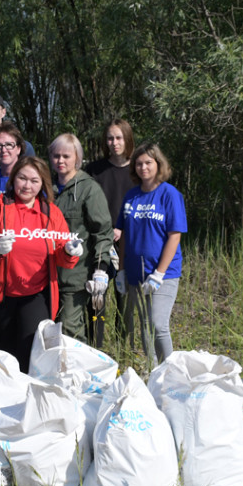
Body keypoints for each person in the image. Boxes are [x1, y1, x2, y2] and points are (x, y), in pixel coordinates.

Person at [0, 156, 81, 372]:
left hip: (36, 293)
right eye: (22, 178)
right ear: (13, 179)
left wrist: (71, 251)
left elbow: (63, 251)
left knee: (31, 347)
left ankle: (28, 394)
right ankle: (7, 395)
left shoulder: (50, 212)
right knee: (6, 349)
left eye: (34, 180)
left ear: (43, 184)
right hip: (1, 292)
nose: (27, 185)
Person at [115, 142, 187, 364]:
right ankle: (153, 373)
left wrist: (159, 274)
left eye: (148, 162)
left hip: (163, 274)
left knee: (157, 324)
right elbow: (124, 234)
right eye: (138, 163)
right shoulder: (131, 196)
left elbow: (175, 235)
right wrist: (121, 270)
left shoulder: (169, 194)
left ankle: (170, 371)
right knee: (145, 326)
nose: (143, 167)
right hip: (136, 273)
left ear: (158, 164)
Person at [49, 133, 113, 343]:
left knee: (70, 329)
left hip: (76, 275)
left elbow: (102, 232)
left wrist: (100, 268)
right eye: (56, 156)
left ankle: (78, 372)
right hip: (47, 275)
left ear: (77, 158)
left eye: (66, 156)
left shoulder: (89, 189)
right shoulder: (45, 188)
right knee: (51, 330)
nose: (60, 161)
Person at [85, 118, 136, 346]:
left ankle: (123, 349)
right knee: (97, 300)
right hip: (99, 244)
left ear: (127, 139)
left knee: (125, 301)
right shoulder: (94, 170)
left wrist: (122, 228)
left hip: (129, 244)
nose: (114, 142)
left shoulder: (139, 170)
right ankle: (95, 349)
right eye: (110, 138)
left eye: (119, 137)